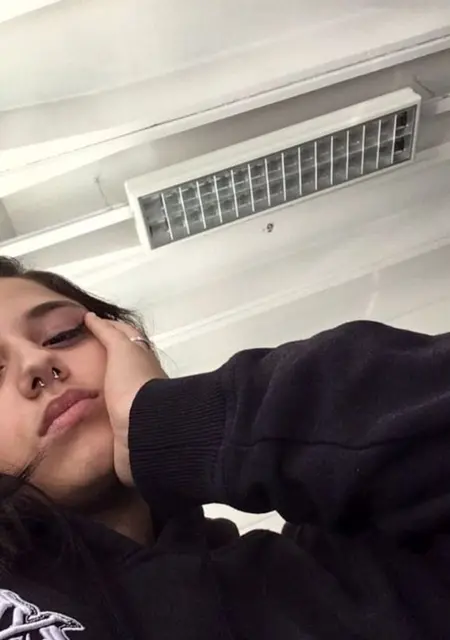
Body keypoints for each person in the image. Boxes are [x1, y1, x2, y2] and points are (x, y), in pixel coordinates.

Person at [0, 255, 448, 640]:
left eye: (60, 334)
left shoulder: (312, 584)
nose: (38, 363)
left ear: (126, 345)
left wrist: (169, 418)